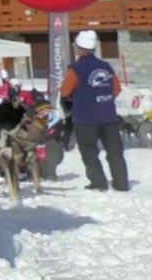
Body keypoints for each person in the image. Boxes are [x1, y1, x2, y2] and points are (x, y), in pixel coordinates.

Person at [59, 30, 129, 191]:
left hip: (86, 118)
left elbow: (64, 91)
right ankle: (121, 184)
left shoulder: (76, 69)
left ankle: (99, 183)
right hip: (109, 116)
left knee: (89, 151)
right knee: (114, 152)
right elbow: (116, 89)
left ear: (80, 48)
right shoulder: (105, 66)